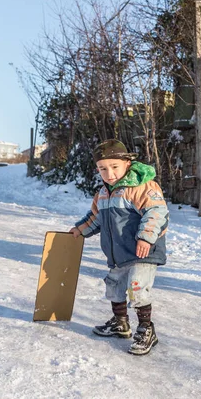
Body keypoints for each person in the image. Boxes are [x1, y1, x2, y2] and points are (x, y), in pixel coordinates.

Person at [69, 139, 170, 355]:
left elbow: (157, 212)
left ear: (127, 163)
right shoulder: (104, 193)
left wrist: (145, 237)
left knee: (137, 288)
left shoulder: (142, 187)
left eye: (114, 167)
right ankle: (120, 322)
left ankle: (146, 328)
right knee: (113, 287)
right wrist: (79, 230)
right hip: (119, 254)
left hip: (143, 251)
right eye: (102, 169)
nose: (109, 173)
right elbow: (95, 218)